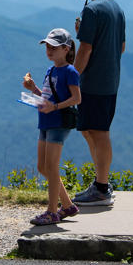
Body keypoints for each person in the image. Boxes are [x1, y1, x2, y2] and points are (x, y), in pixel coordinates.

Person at [70, 0, 125, 206]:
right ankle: (101, 181)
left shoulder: (92, 10)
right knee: (88, 129)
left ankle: (102, 188)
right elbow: (120, 46)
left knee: (99, 133)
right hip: (110, 79)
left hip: (93, 82)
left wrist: (71, 76)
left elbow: (85, 49)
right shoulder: (116, 8)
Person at [22, 28, 82, 225]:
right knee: (43, 167)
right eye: (47, 46)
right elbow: (47, 96)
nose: (49, 50)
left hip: (58, 122)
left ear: (66, 49)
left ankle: (52, 211)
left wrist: (55, 107)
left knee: (52, 167)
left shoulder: (70, 71)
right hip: (46, 120)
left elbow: (76, 98)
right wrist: (34, 90)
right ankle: (67, 205)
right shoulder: (51, 70)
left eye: (54, 47)